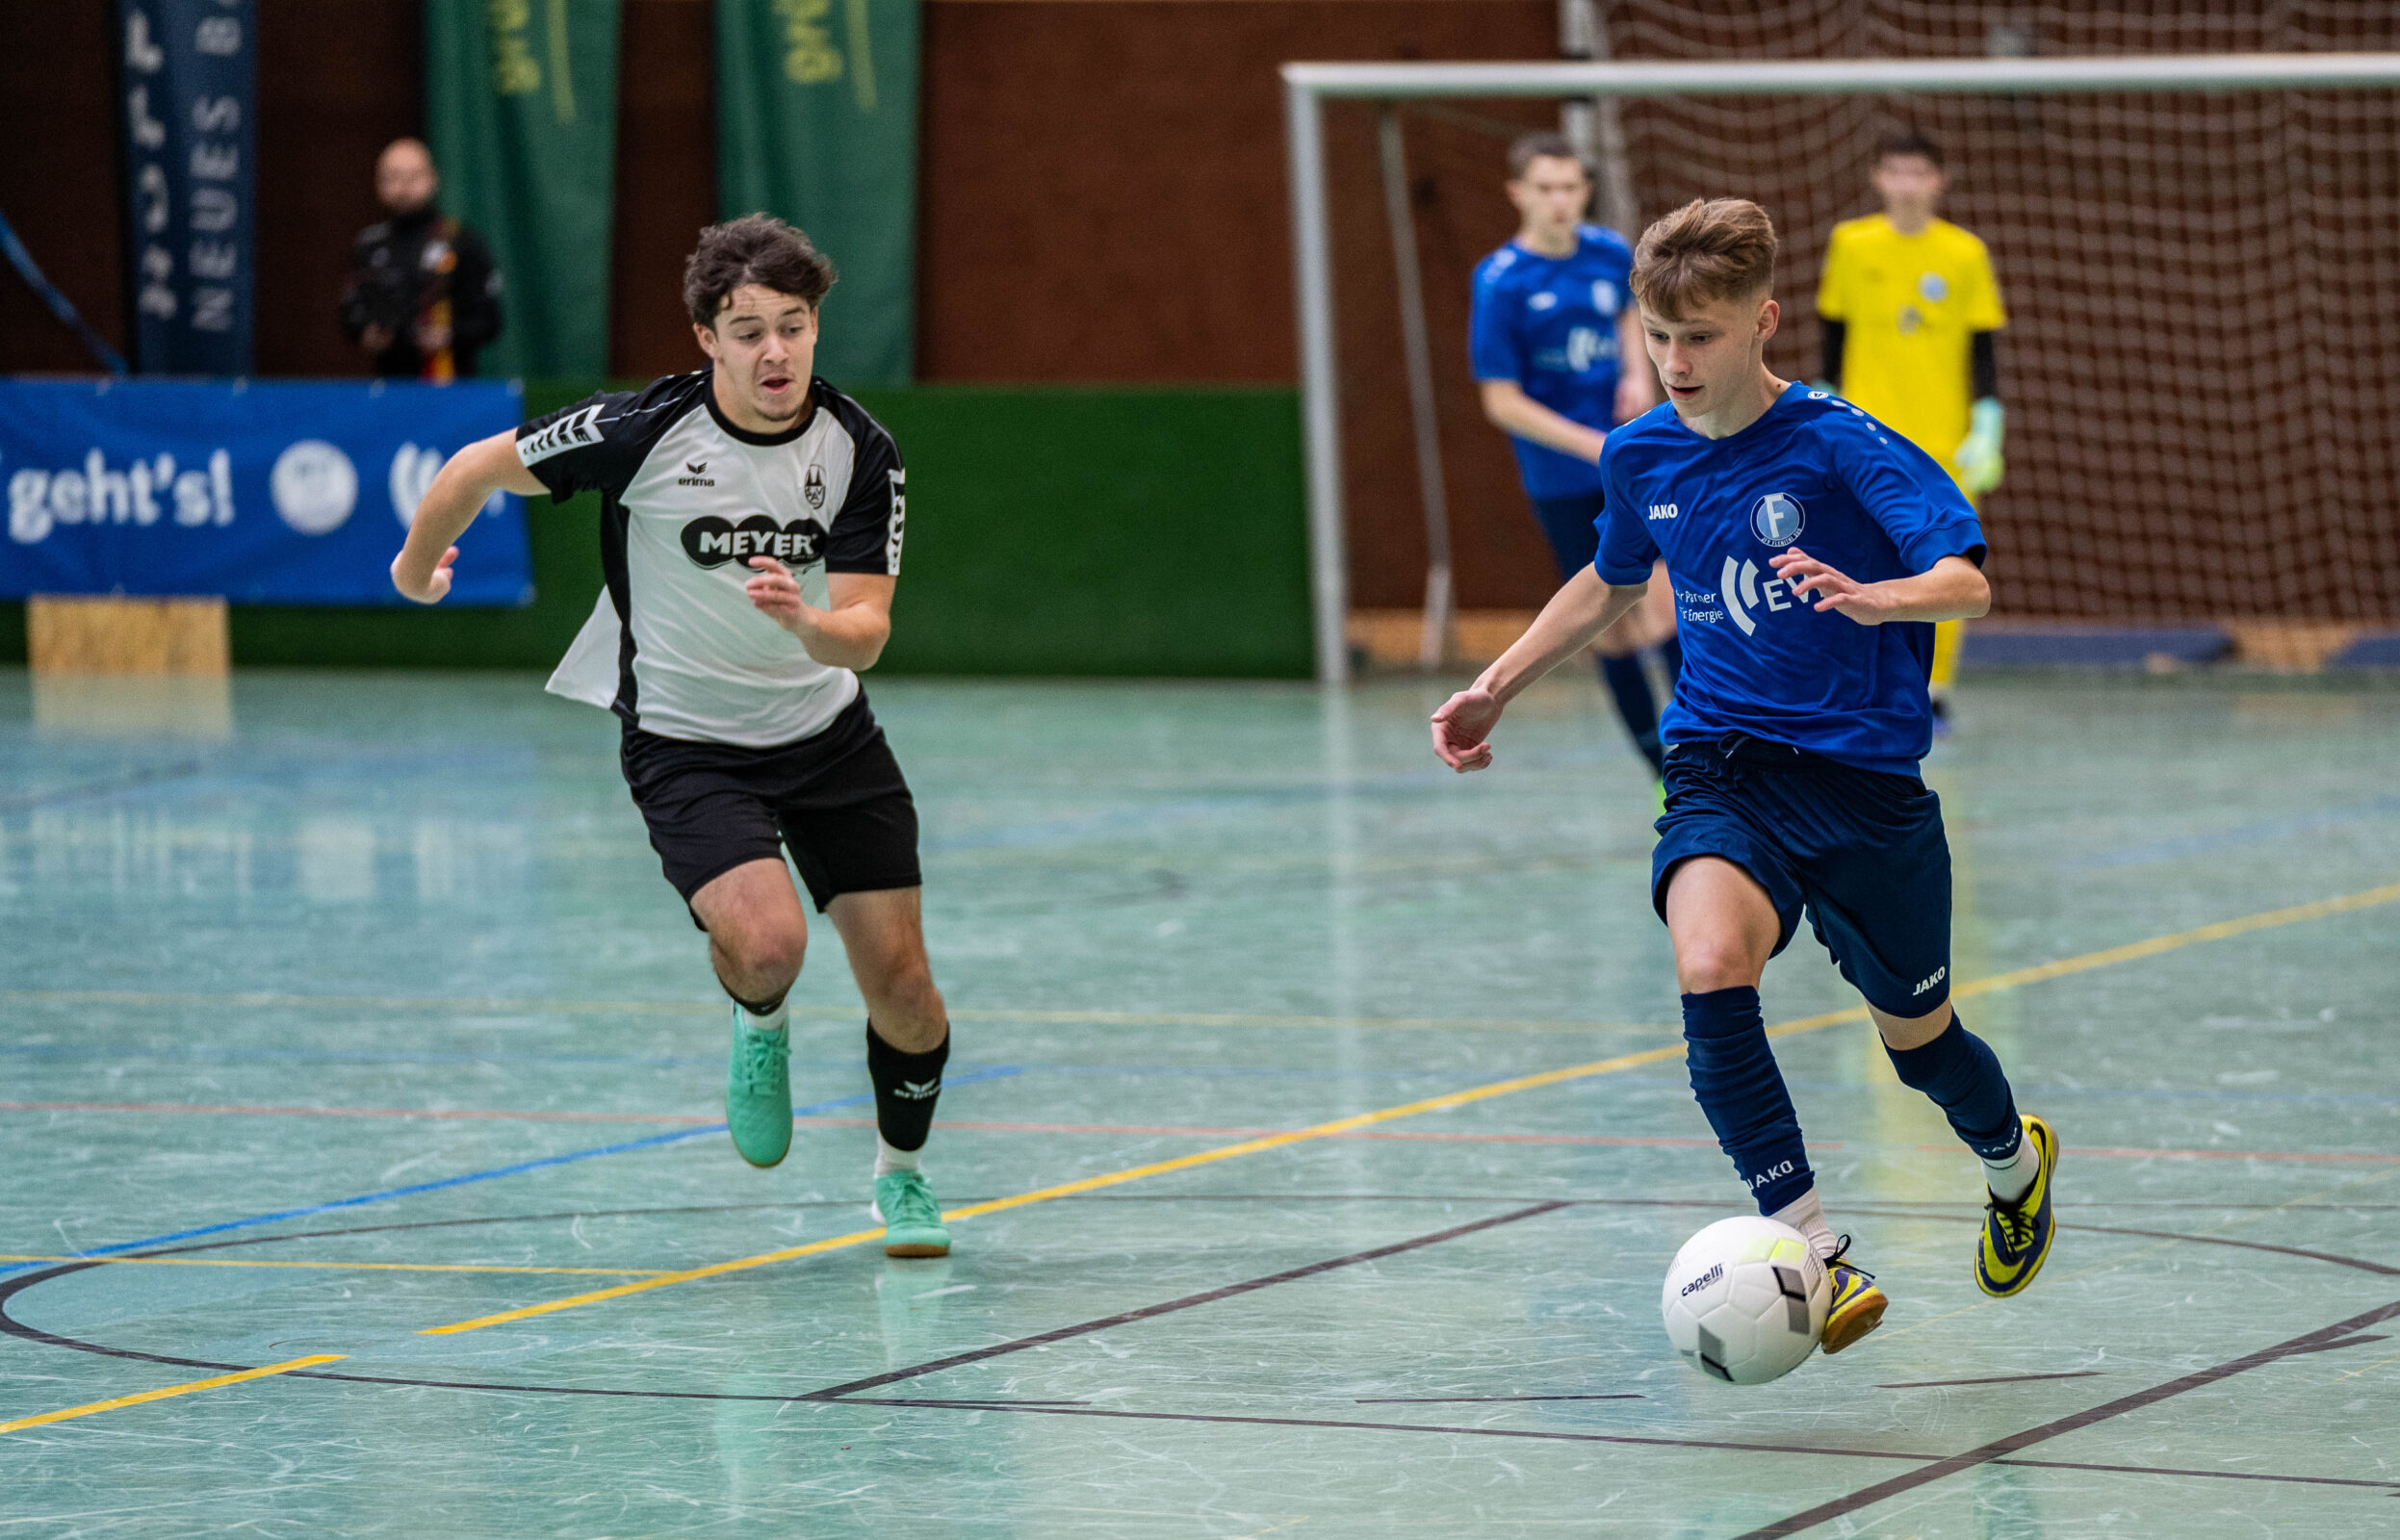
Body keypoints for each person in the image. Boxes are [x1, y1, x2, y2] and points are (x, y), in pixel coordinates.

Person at [1432, 197, 2055, 1357]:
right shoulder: (1640, 453)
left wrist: (1879, 595)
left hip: (1863, 783)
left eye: (1701, 336)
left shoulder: (1841, 443)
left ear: (1762, 323)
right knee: (1712, 963)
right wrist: (1497, 683)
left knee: (1920, 1044)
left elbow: (1967, 583)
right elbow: (1613, 578)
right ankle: (1815, 1248)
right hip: (1720, 759)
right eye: (1659, 335)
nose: (1676, 360)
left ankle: (2015, 1165)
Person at [387, 214, 954, 1258]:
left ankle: (902, 1175)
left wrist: (808, 626)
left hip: (827, 736)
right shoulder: (641, 431)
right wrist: (415, 572)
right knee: (768, 945)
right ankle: (760, 1017)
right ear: (706, 339)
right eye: (748, 331)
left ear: (816, 327)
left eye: (793, 326)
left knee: (909, 997)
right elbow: (472, 467)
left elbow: (867, 633)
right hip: (687, 744)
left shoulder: (859, 449)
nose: (775, 352)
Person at [1470, 133, 1678, 783]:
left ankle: (1705, 757)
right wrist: (1590, 443)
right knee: (1608, 624)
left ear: (1585, 191)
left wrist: (1637, 375)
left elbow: (1628, 315)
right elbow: (1501, 402)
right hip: (1561, 476)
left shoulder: (1608, 253)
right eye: (1545, 188)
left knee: (1667, 604)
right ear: (1518, 194)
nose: (1559, 201)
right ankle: (1662, 774)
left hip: (1628, 466)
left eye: (1570, 187)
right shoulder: (1501, 282)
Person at [1815, 130, 2007, 729]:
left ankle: (1934, 690)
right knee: (1856, 555)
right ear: (1877, 178)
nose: (1906, 185)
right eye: (1895, 171)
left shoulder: (1964, 253)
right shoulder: (1851, 244)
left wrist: (1988, 422)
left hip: (1944, 441)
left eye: (1919, 173)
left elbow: (1983, 349)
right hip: (1864, 436)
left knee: (1947, 564)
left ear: (1939, 181)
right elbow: (1833, 338)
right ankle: (1857, 682)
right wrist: (1824, 410)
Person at [340, 138, 504, 382]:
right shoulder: (369, 244)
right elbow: (351, 312)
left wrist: (448, 334)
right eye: (393, 176)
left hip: (450, 384)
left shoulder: (459, 241)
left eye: (413, 176)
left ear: (432, 178)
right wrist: (367, 332)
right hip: (390, 385)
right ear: (378, 182)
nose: (403, 186)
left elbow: (489, 320)